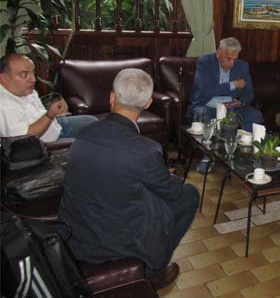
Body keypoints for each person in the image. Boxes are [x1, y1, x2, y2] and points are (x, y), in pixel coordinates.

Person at [59, 68, 199, 290]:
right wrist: (165, 175)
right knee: (189, 194)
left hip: (75, 232)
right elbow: (172, 193)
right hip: (113, 243)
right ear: (148, 104)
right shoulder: (146, 149)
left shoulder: (83, 134)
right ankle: (153, 270)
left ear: (112, 97)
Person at [190, 37, 263, 171]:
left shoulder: (243, 66)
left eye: (235, 59)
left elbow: (249, 92)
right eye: (228, 58)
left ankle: (241, 154)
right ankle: (208, 156)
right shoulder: (204, 62)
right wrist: (233, 85)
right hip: (207, 104)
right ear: (219, 53)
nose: (232, 63)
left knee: (255, 115)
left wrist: (241, 102)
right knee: (202, 114)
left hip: (232, 107)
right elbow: (206, 90)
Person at [0, 53, 97, 141]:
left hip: (54, 126)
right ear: (5, 78)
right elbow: (25, 138)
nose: (33, 79)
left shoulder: (24, 89)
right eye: (24, 74)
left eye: (33, 73)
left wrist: (55, 111)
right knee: (90, 142)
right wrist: (50, 115)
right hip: (44, 145)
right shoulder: (5, 106)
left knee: (92, 122)